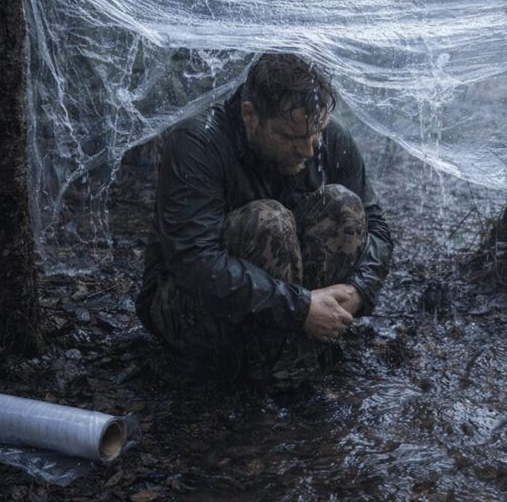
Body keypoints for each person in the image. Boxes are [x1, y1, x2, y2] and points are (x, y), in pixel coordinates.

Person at [135, 52, 393, 389]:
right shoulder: (198, 143)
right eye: (290, 138)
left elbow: (378, 228)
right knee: (269, 221)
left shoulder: (328, 140)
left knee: (343, 205)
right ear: (250, 116)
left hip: (292, 309)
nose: (308, 150)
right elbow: (193, 260)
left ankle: (297, 361)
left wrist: (360, 288)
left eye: (317, 132)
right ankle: (263, 373)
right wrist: (300, 308)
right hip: (188, 310)